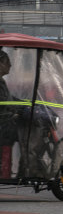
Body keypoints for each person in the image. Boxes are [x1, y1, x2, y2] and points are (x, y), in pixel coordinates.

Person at [0, 50, 17, 179]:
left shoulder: (2, 82)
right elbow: (5, 103)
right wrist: (16, 110)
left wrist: (28, 103)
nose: (10, 65)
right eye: (7, 62)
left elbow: (10, 100)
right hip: (3, 125)